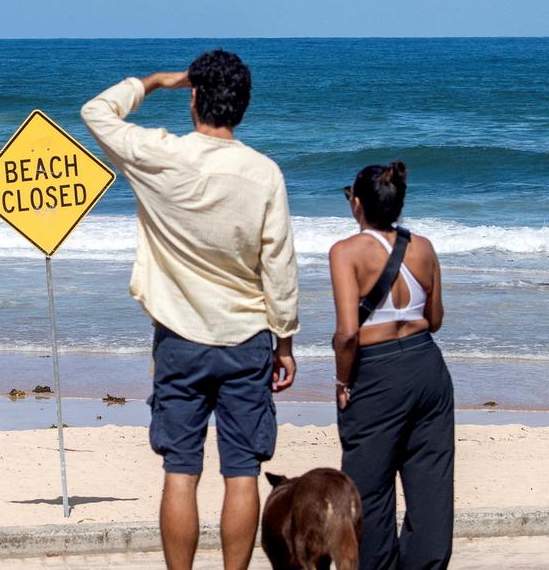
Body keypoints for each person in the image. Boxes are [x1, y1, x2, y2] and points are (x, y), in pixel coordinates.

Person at [81, 49, 299, 570]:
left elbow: (96, 112)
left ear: (194, 97)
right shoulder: (263, 173)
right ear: (243, 105)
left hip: (179, 336)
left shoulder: (159, 155)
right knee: (242, 469)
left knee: (181, 469)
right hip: (247, 337)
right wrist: (285, 339)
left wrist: (155, 81)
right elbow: (280, 267)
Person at [330, 162, 451, 569]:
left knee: (369, 488)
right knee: (431, 483)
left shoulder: (346, 252)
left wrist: (342, 381)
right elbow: (434, 320)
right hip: (426, 366)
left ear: (358, 205)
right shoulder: (424, 247)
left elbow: (347, 334)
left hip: (376, 373)